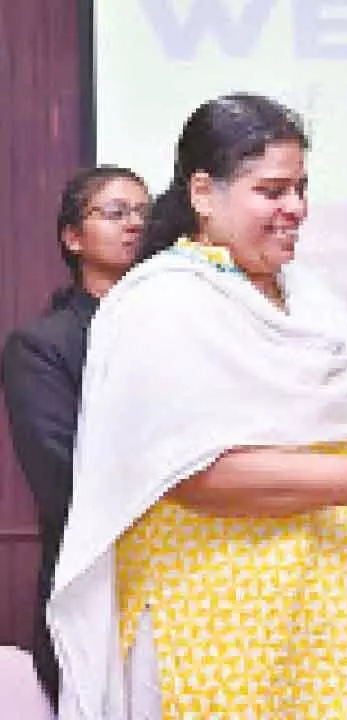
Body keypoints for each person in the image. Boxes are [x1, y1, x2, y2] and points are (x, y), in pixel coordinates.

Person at [47, 93, 347, 719]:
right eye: (272, 190)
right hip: (212, 628)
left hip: (321, 626)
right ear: (204, 193)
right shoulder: (161, 304)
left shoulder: (310, 296)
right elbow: (193, 476)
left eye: (301, 188)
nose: (296, 208)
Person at [1, 165, 149, 705]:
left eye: (142, 212)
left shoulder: (172, 328)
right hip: (92, 580)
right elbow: (59, 480)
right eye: (115, 212)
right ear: (73, 236)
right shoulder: (42, 345)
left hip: (178, 578)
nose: (134, 224)